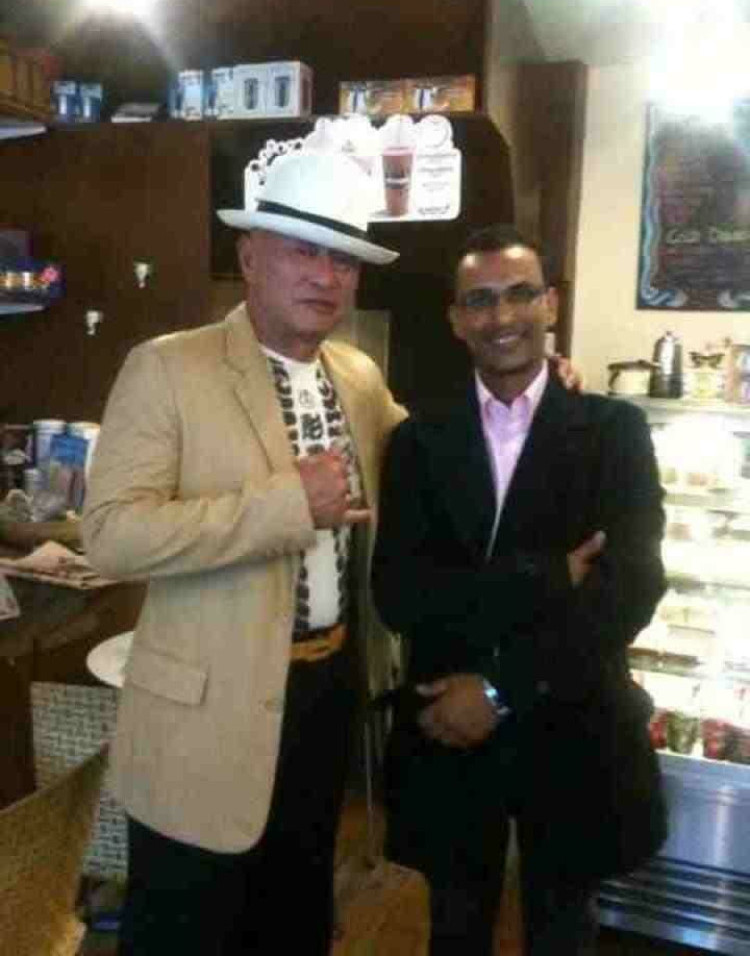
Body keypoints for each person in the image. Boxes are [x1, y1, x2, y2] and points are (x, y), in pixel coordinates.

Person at [82, 149, 406, 955]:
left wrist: (523, 394)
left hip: (326, 697)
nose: (325, 276)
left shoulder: (359, 377)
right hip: (202, 720)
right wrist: (286, 506)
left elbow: (434, 458)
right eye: (304, 250)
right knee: (186, 931)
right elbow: (112, 535)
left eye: (344, 260)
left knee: (292, 923)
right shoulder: (167, 367)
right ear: (251, 255)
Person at [371, 224, 668, 956]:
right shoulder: (417, 440)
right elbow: (399, 595)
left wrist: (499, 688)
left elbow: (627, 593)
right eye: (479, 300)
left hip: (570, 729)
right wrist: (545, 575)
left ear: (550, 305)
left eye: (519, 294)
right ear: (455, 319)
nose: (501, 316)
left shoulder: (614, 432)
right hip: (447, 732)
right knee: (454, 928)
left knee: (562, 929)